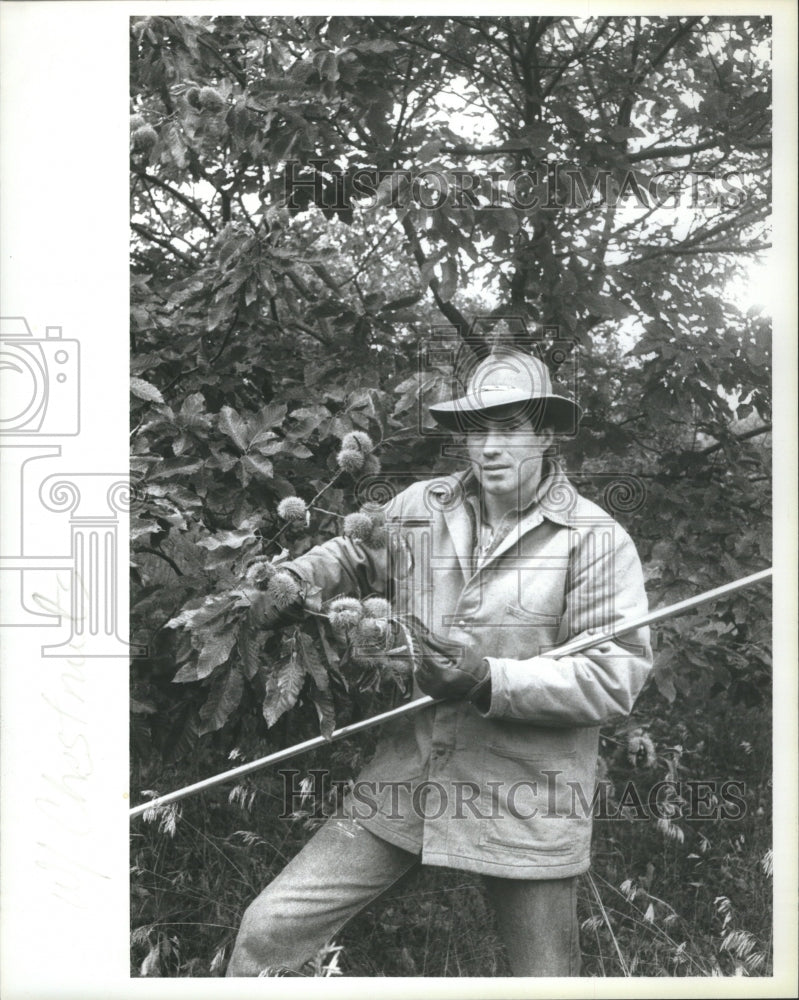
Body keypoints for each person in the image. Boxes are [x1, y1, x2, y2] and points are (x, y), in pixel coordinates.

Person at [227, 345, 652, 977]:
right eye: (479, 430)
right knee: (267, 931)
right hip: (408, 778)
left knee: (547, 982)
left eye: (510, 429)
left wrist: (488, 679)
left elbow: (613, 675)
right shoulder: (423, 506)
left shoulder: (594, 539)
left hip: (526, 801)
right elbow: (353, 552)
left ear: (546, 436)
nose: (491, 447)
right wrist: (292, 581)